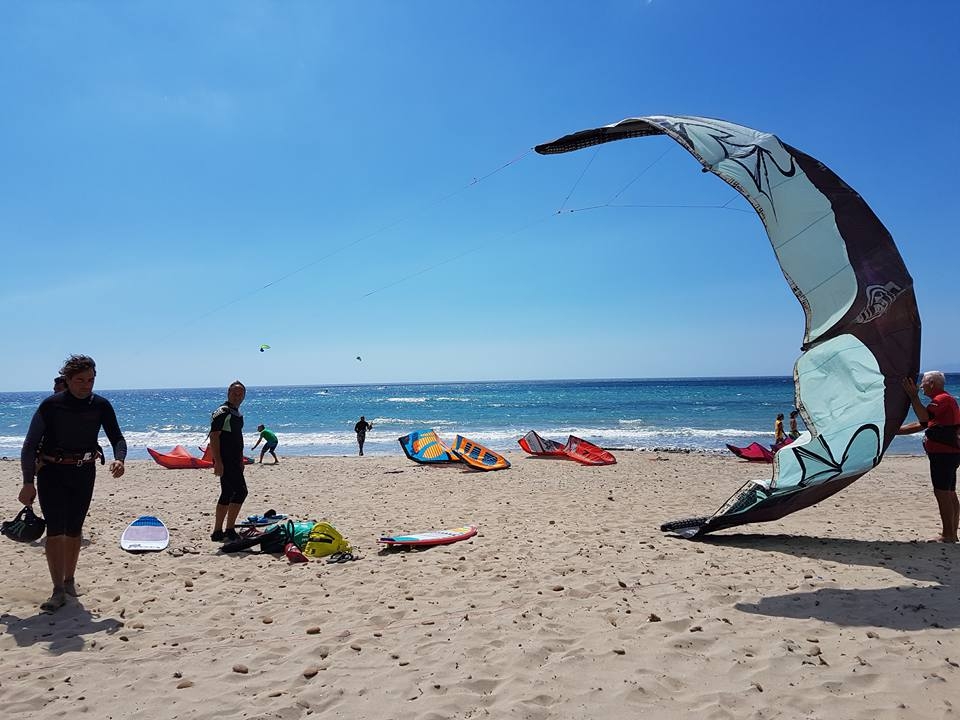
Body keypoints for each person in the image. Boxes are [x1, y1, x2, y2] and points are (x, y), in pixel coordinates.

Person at [19, 355, 126, 612]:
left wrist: (119, 459)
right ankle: (57, 589)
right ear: (67, 380)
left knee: (75, 529)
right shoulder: (51, 405)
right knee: (56, 530)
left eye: (90, 380)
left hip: (84, 472)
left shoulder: (100, 405)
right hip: (52, 473)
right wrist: (27, 482)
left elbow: (117, 438)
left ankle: (69, 581)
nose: (86, 385)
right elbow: (29, 445)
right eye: (80, 380)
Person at [898, 371, 960, 543]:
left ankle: (948, 534)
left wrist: (913, 396)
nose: (920, 386)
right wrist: (896, 431)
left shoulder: (941, 400)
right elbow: (923, 424)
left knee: (942, 493)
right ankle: (952, 533)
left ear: (932, 383)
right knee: (949, 492)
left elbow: (924, 418)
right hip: (948, 454)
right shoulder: (944, 400)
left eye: (923, 382)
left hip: (944, 454)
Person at [209, 381, 247, 542]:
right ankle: (230, 529)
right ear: (228, 393)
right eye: (234, 393)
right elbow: (214, 436)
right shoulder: (222, 412)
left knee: (227, 493)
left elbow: (237, 437)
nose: (237, 396)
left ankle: (218, 532)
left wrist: (241, 459)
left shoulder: (235, 412)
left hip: (234, 459)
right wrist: (218, 461)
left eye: (240, 394)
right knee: (241, 492)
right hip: (225, 459)